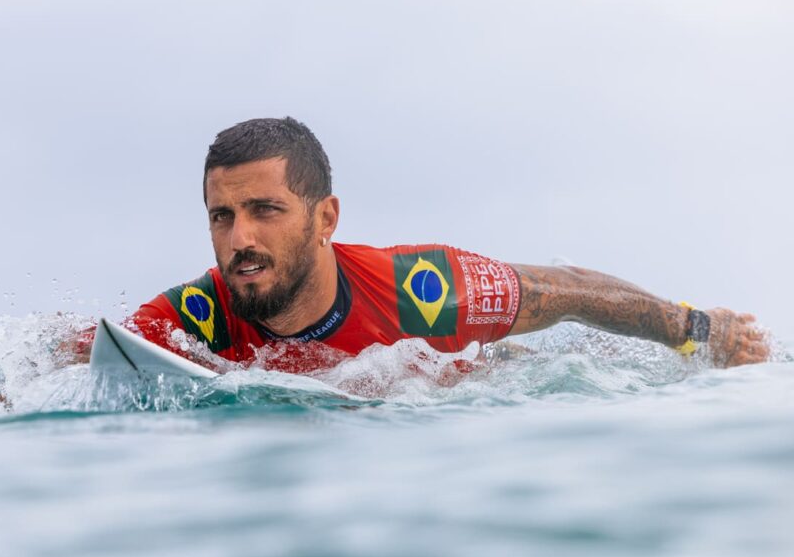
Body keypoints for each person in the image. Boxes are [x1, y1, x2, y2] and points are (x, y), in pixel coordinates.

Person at [74, 117, 768, 372]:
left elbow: (567, 290)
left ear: (326, 218)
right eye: (222, 216)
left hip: (466, 381)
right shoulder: (198, 318)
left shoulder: (422, 291)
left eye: (264, 210)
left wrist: (695, 329)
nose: (240, 239)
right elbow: (89, 349)